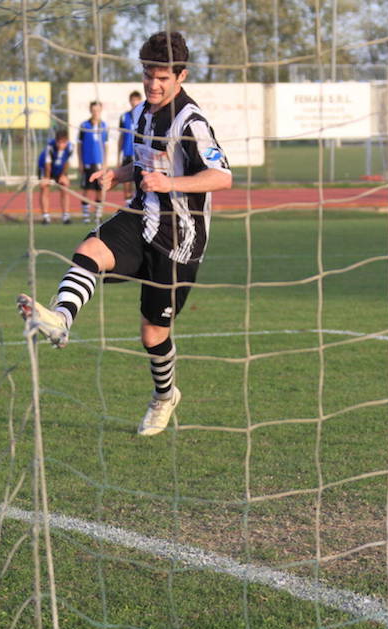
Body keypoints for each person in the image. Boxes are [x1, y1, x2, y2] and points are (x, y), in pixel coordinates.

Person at [17, 31, 232, 436]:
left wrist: (170, 185)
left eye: (163, 77)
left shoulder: (191, 121)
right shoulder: (140, 115)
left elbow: (222, 177)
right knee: (89, 250)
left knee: (153, 334)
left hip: (179, 237)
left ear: (181, 77)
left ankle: (165, 396)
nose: (153, 83)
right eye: (149, 73)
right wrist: (116, 173)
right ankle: (61, 319)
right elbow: (143, 162)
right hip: (140, 216)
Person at [77, 100, 108, 224]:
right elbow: (79, 145)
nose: (96, 112)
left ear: (101, 110)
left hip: (99, 164)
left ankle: (97, 216)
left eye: (98, 110)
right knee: (87, 190)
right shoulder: (84, 125)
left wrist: (105, 163)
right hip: (88, 163)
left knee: (100, 190)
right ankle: (85, 216)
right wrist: (80, 162)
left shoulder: (104, 126)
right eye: (93, 110)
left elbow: (106, 145)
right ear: (90, 110)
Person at [37, 128, 73, 224]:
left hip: (59, 169)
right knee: (45, 188)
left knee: (65, 187)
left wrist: (63, 175)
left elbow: (66, 163)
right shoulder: (50, 146)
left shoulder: (70, 147)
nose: (61, 145)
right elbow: (47, 164)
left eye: (63, 142)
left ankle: (66, 216)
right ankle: (46, 217)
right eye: (59, 142)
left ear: (67, 141)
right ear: (56, 141)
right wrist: (47, 178)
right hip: (45, 168)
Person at [117, 90, 143, 202]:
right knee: (126, 181)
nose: (134, 102)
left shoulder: (144, 116)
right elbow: (122, 137)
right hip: (127, 152)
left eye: (137, 100)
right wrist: (119, 154)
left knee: (139, 180)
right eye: (133, 100)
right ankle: (127, 204)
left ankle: (138, 204)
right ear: (130, 101)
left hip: (139, 154)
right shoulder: (124, 117)